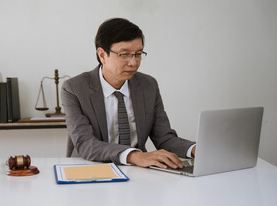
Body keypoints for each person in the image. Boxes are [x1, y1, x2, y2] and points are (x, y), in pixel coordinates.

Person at [61, 18, 196, 169]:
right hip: (91, 168)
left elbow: (164, 138)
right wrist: (134, 156)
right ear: (102, 55)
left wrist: (195, 149)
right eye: (124, 54)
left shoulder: (148, 85)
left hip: (138, 171)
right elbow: (85, 143)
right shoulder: (74, 88)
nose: (133, 62)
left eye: (138, 54)